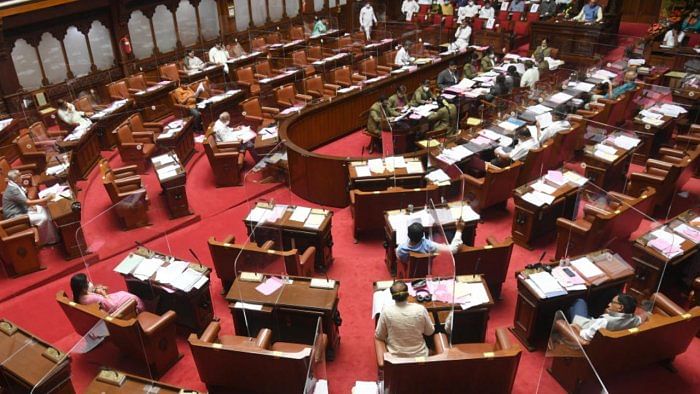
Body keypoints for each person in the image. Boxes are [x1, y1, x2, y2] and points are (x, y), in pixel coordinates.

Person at [374, 281, 435, 357]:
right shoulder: (420, 309)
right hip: (420, 358)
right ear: (408, 295)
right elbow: (429, 332)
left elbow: (380, 335)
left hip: (396, 360)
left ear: (392, 297)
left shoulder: (386, 312)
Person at [2, 169, 57, 245]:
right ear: (16, 179)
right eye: (20, 176)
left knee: (44, 207)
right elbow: (27, 202)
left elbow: (23, 198)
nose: (22, 177)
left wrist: (36, 204)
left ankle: (53, 234)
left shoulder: (14, 184)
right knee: (43, 218)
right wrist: (46, 199)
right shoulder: (12, 189)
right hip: (16, 216)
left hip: (22, 209)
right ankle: (46, 241)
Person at [568, 293, 648, 342]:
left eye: (612, 302)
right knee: (572, 309)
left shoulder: (604, 321)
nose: (609, 304)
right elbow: (644, 315)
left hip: (584, 326)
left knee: (579, 302)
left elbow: (585, 335)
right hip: (594, 324)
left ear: (620, 307)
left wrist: (576, 326)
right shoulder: (635, 320)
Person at [70, 273, 144, 314]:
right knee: (133, 298)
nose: (90, 283)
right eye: (88, 282)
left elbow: (89, 293)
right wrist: (103, 293)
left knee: (122, 293)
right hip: (113, 307)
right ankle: (141, 311)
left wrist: (95, 290)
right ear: (83, 288)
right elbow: (111, 305)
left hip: (104, 304)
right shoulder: (95, 298)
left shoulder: (76, 295)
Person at [396, 220, 465, 262]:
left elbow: (398, 256)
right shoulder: (429, 245)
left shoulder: (401, 248)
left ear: (408, 235)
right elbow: (453, 249)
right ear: (422, 235)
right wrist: (459, 230)